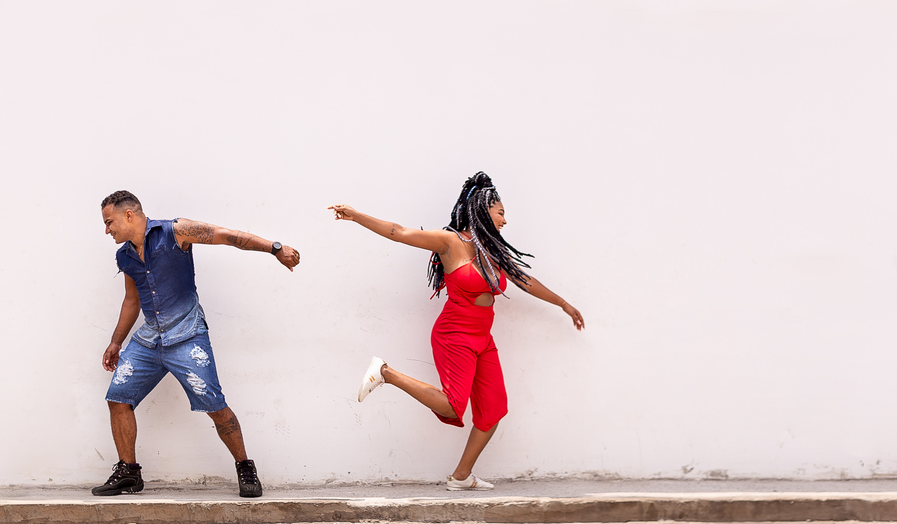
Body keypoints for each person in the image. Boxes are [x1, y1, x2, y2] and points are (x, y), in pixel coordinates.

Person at [329, 172, 583, 490]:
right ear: (482, 209)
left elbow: (525, 280)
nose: (505, 220)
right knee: (453, 405)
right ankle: (385, 373)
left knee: (493, 410)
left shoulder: (493, 251)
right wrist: (357, 216)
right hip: (454, 333)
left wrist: (563, 304)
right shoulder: (450, 243)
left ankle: (461, 476)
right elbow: (400, 232)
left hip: (482, 338)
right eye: (501, 212)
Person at [94, 190, 300, 498]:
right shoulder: (125, 256)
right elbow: (132, 299)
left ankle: (244, 466)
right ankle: (129, 473)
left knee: (214, 404)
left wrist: (275, 248)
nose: (106, 230)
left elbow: (225, 235)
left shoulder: (175, 232)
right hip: (150, 340)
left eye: (109, 222)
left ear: (129, 215)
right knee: (118, 397)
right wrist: (116, 342)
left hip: (187, 336)